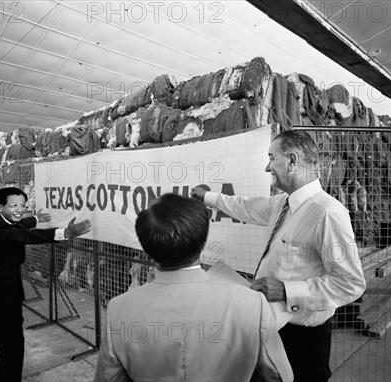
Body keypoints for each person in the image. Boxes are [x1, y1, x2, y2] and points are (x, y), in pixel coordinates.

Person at [191, 130, 366, 382]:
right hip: (273, 326)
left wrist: (286, 291)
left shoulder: (327, 214)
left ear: (292, 160)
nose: (267, 166)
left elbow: (350, 283)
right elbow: (244, 206)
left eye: (272, 158)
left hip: (303, 340)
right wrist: (207, 197)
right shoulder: (283, 204)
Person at [94, 193, 293, 382]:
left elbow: (108, 377)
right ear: (203, 239)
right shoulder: (251, 304)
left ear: (146, 248)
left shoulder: (119, 309)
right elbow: (279, 376)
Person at [0, 187, 92, 382]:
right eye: (14, 206)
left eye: (23, 205)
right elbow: (26, 236)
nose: (20, 209)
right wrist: (65, 232)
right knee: (8, 347)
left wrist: (35, 218)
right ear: (0, 206)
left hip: (5, 294)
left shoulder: (7, 221)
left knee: (1, 344)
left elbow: (21, 225)